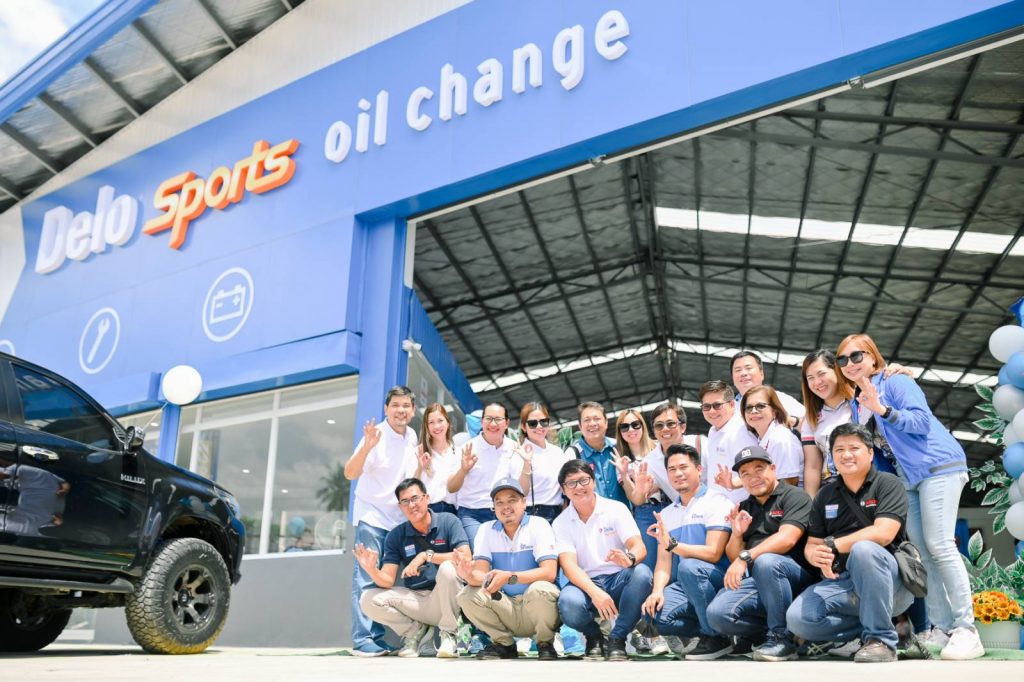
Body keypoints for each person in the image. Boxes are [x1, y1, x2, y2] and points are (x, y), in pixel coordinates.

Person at [837, 333, 983, 660]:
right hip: (907, 478)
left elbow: (920, 421)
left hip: (937, 467)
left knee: (940, 544)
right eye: (842, 359)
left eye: (857, 355)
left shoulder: (896, 382)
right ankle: (942, 627)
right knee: (923, 554)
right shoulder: (857, 404)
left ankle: (967, 629)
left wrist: (882, 408)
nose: (850, 363)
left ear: (873, 357)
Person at [786, 423, 914, 663]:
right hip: (843, 582)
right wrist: (817, 555)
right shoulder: (825, 494)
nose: (846, 455)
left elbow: (884, 533)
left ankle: (881, 640)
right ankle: (858, 634)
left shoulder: (888, 483)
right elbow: (813, 544)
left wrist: (833, 545)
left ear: (870, 453)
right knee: (798, 619)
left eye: (854, 448)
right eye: (839, 450)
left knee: (864, 549)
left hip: (891, 582)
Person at [706, 446, 814, 661]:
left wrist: (746, 556)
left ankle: (781, 638)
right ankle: (762, 634)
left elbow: (787, 539)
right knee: (717, 615)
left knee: (766, 562)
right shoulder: (745, 506)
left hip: (798, 578)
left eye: (759, 469)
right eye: (745, 473)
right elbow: (733, 555)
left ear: (773, 469)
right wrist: (737, 535)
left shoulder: (795, 496)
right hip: (761, 581)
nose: (753, 477)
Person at [355, 478, 470, 658]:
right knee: (367, 599)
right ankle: (415, 632)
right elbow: (387, 580)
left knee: (448, 567)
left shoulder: (448, 521)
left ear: (427, 498)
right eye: (405, 501)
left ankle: (449, 634)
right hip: (417, 601)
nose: (411, 505)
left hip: (447, 599)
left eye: (415, 498)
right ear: (400, 506)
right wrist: (372, 570)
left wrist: (426, 555)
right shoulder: (396, 535)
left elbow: (465, 557)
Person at [343, 385, 418, 657]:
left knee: (385, 580)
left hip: (398, 521)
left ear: (413, 410)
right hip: (373, 517)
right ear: (386, 409)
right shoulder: (376, 435)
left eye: (406, 405)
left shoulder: (411, 436)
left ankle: (376, 637)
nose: (400, 410)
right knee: (366, 578)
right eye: (395, 405)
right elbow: (350, 473)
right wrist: (367, 447)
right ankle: (362, 640)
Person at [553, 459, 652, 661]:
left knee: (642, 574)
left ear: (593, 482)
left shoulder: (615, 508)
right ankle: (594, 636)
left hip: (619, 577)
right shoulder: (560, 522)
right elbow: (569, 566)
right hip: (585, 583)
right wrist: (595, 592)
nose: (579, 487)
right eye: (571, 483)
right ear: (563, 489)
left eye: (584, 480)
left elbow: (639, 546)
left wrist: (629, 558)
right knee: (568, 603)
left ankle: (618, 637)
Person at [642, 444, 733, 660]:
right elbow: (663, 563)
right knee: (651, 616)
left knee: (689, 566)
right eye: (672, 469)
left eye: (683, 467)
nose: (678, 473)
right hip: (687, 584)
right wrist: (657, 591)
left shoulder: (717, 502)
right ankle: (711, 628)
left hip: (718, 581)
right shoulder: (667, 514)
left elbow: (713, 553)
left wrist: (673, 544)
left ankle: (716, 637)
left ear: (699, 470)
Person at [454, 477, 561, 660]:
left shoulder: (538, 524)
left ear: (524, 503)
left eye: (512, 500)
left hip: (535, 605)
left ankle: (545, 643)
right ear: (494, 508)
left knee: (541, 589)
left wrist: (510, 577)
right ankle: (504, 644)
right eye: (500, 502)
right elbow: (480, 575)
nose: (506, 507)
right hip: (506, 607)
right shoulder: (486, 529)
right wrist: (468, 575)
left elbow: (549, 573)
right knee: (466, 595)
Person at [799, 350, 913, 496]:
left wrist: (896, 371)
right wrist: (811, 502)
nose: (817, 382)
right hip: (832, 490)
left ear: (837, 370)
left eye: (822, 374)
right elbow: (813, 466)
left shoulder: (862, 402)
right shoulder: (811, 418)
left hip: (868, 485)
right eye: (810, 378)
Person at [448, 402, 514, 550]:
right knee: (481, 552)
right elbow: (451, 487)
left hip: (504, 512)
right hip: (472, 515)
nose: (493, 424)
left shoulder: (514, 448)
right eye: (488, 419)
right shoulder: (467, 448)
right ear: (482, 422)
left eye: (498, 419)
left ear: (507, 423)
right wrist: (464, 470)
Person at [509, 402, 571, 523]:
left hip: (561, 513)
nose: (539, 426)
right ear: (523, 427)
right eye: (533, 423)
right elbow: (520, 492)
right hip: (533, 514)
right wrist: (527, 464)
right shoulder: (519, 454)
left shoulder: (557, 452)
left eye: (543, 421)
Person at [700, 380, 757, 504]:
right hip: (717, 506)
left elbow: (755, 473)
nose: (711, 411)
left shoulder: (740, 432)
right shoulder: (713, 430)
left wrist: (732, 484)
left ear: (732, 405)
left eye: (717, 405)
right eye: (706, 406)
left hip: (739, 507)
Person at [643, 401, 710, 503]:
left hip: (713, 505)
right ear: (654, 431)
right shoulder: (650, 461)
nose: (665, 429)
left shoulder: (701, 443)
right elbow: (644, 493)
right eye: (659, 425)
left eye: (670, 424)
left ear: (682, 427)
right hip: (682, 510)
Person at [565, 401, 628, 505]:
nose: (592, 423)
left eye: (597, 418)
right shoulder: (572, 454)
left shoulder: (619, 447)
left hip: (623, 512)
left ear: (606, 422)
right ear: (580, 426)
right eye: (587, 420)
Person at [740, 386, 803, 486]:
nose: (753, 411)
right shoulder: (764, 437)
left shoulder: (780, 438)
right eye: (749, 407)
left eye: (760, 406)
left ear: (774, 411)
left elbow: (789, 482)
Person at [731, 351, 805, 426]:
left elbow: (808, 423)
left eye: (748, 368)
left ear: (761, 374)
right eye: (738, 370)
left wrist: (792, 421)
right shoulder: (728, 407)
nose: (743, 373)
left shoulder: (780, 399)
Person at [415, 402, 459, 515]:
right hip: (428, 512)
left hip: (453, 513)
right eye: (431, 422)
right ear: (426, 427)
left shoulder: (458, 452)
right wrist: (420, 468)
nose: (437, 426)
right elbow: (411, 487)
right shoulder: (418, 452)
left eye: (440, 421)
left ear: (448, 423)